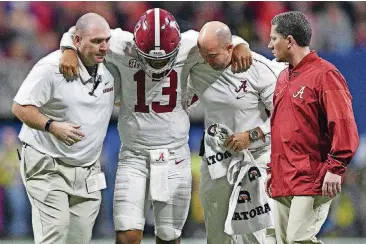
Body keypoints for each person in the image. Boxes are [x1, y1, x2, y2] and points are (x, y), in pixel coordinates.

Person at [59, 8, 252, 244]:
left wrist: (242, 45)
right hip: (134, 155)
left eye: (163, 58)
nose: (157, 64)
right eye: (150, 58)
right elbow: (75, 32)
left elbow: (224, 39)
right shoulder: (121, 43)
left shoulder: (190, 45)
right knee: (127, 234)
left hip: (175, 156)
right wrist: (68, 49)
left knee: (169, 236)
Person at [12, 13, 120, 244]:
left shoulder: (112, 64)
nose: (104, 47)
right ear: (77, 41)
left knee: (79, 239)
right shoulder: (51, 67)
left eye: (106, 40)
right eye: (96, 41)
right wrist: (51, 126)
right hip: (47, 163)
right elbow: (20, 107)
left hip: (87, 170)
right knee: (55, 233)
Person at [186, 21, 286, 244]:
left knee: (255, 234)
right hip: (217, 161)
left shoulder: (260, 69)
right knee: (217, 235)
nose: (206, 60)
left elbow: (285, 118)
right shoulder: (199, 67)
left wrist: (250, 136)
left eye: (212, 55)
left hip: (256, 159)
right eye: (204, 55)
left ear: (230, 48)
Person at [265, 11, 359, 244]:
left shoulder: (325, 74)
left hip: (311, 176)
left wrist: (336, 168)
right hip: (283, 177)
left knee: (299, 239)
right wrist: (272, 170)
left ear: (289, 40)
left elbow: (344, 123)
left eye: (274, 38)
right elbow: (280, 129)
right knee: (284, 241)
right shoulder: (283, 78)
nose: (269, 44)